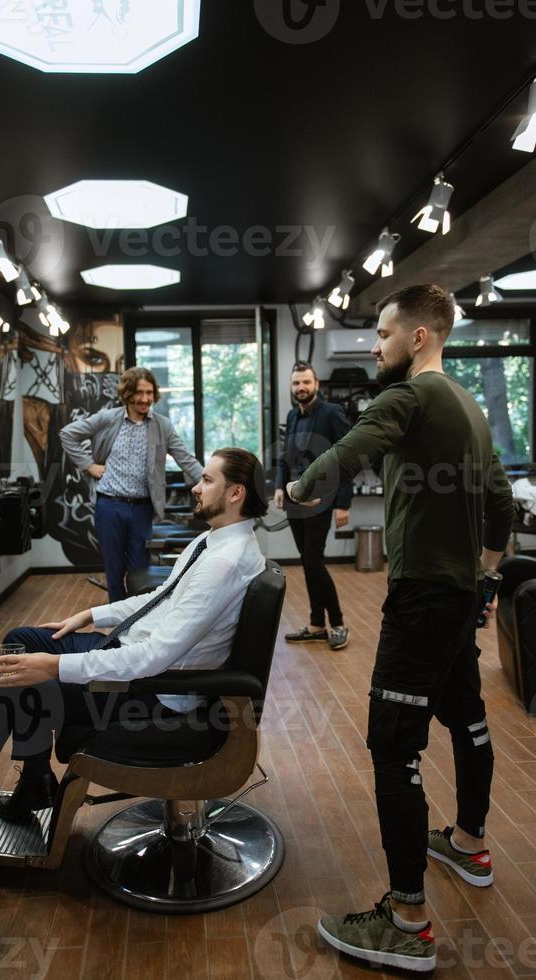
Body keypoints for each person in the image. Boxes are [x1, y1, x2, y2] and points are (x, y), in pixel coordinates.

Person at [287, 285, 514, 974]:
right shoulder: (470, 405)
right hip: (461, 591)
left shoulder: (409, 397)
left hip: (419, 600)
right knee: (467, 717)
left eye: (383, 334)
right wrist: (487, 573)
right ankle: (470, 842)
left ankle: (408, 920)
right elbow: (499, 499)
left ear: (418, 336)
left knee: (395, 746)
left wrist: (292, 493)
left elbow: (341, 458)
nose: (375, 346)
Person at [0, 449, 267, 825]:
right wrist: (90, 614)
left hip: (154, 692)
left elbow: (154, 658)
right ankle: (35, 776)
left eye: (207, 479)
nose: (196, 486)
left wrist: (54, 667)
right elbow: (161, 596)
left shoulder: (223, 563)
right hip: (138, 665)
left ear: (236, 493)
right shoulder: (214, 541)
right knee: (22, 640)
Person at [60, 366, 202, 601]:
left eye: (149, 393)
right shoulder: (108, 419)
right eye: (139, 393)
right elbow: (68, 434)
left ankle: (137, 619)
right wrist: (89, 465)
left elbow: (186, 459)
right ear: (127, 393)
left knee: (139, 569)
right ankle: (118, 624)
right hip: (109, 506)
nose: (145, 399)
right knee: (114, 569)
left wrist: (212, 482)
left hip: (142, 508)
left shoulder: (162, 425)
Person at [274, 361, 352, 650]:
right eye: (296, 383)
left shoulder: (332, 413)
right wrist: (279, 486)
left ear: (316, 384)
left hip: (322, 500)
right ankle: (317, 624)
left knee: (314, 562)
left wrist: (343, 503)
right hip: (296, 502)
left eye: (306, 382)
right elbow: (286, 456)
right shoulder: (293, 415)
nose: (301, 388)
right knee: (309, 564)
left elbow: (348, 458)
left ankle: (339, 623)